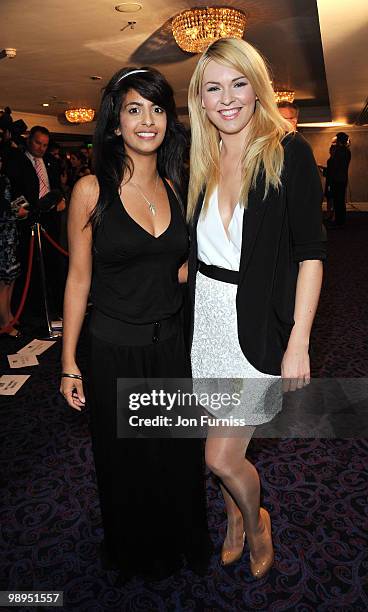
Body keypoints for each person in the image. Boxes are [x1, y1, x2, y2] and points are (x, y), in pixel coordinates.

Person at [60, 66, 212, 581]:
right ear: (115, 123)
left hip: (170, 345)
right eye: (134, 109)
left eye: (157, 109)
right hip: (112, 350)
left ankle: (181, 543)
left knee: (175, 457)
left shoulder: (176, 185)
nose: (147, 120)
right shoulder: (90, 190)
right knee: (126, 464)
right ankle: (136, 553)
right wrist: (67, 364)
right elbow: (78, 280)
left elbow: (180, 262)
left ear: (168, 119)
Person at [187, 38, 326, 579]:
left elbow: (311, 255)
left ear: (257, 87)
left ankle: (257, 518)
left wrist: (299, 341)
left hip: (258, 322)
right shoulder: (199, 155)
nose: (227, 99)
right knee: (214, 438)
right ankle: (233, 519)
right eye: (213, 88)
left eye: (238, 83)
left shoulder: (287, 152)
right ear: (199, 99)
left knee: (220, 457)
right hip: (206, 321)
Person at [328, 132, 351, 228]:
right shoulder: (347, 151)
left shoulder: (339, 151)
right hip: (343, 178)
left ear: (339, 140)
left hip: (337, 179)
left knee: (338, 201)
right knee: (340, 200)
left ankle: (338, 221)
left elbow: (334, 165)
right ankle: (341, 220)